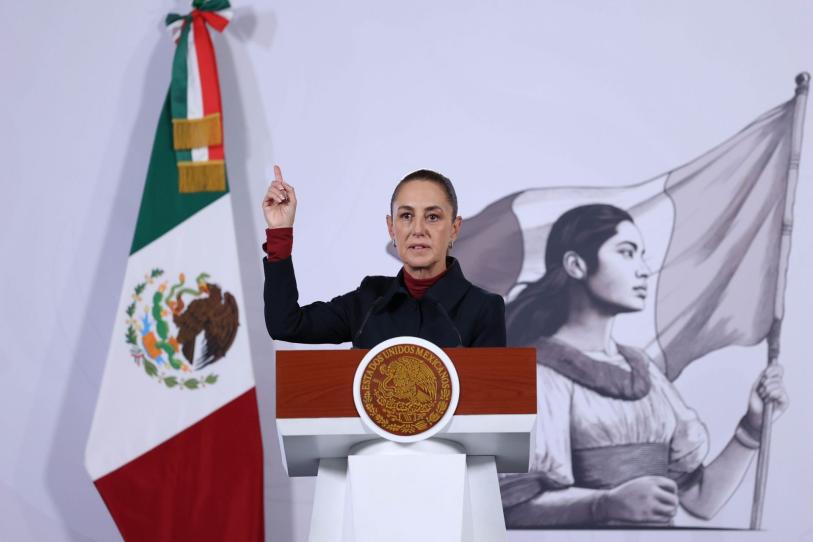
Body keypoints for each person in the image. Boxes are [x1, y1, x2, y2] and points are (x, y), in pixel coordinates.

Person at [499, 204, 788, 527]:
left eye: (641, 254)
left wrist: (752, 427)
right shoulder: (534, 373)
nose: (642, 269)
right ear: (576, 265)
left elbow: (700, 501)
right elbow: (511, 508)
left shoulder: (644, 370)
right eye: (627, 252)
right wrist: (604, 505)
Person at [261, 166, 506, 348]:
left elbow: (493, 406)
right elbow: (285, 324)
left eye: (432, 217)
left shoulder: (483, 309)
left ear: (454, 228)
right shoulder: (368, 300)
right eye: (406, 216)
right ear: (391, 228)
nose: (418, 229)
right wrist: (279, 231)